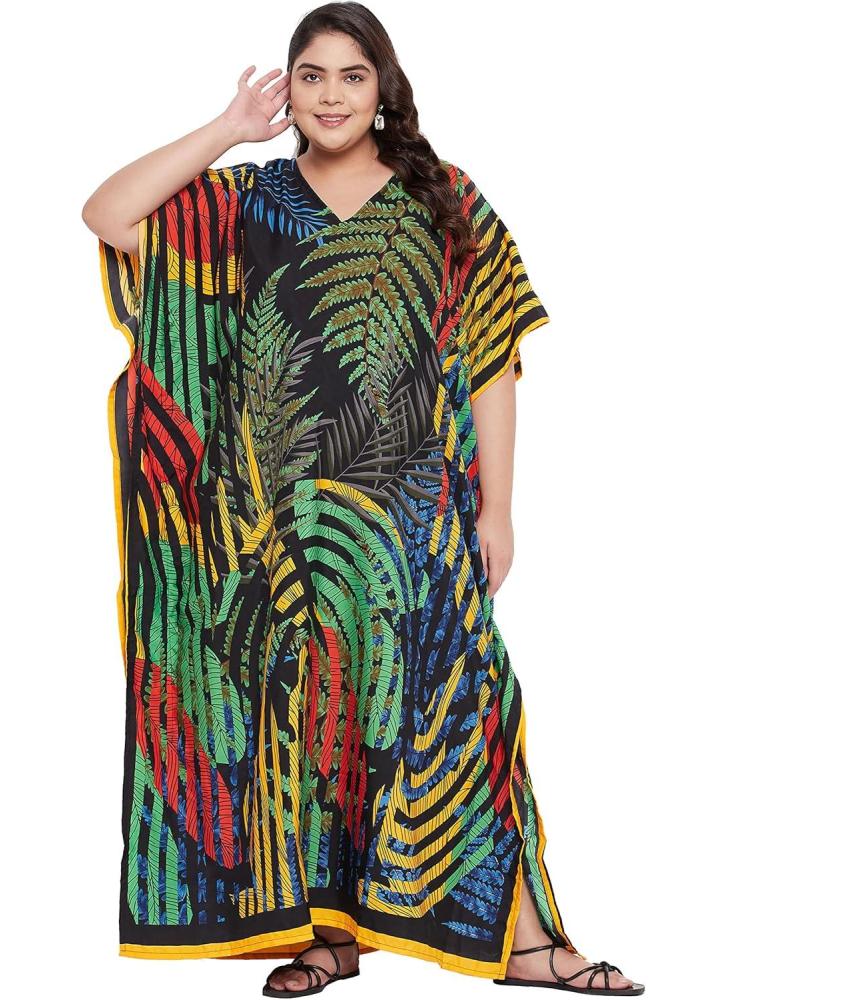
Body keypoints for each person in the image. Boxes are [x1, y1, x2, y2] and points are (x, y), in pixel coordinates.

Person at [82, 3, 643, 996]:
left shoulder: (445, 200)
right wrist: (226, 130)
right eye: (311, 76)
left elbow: (490, 363)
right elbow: (109, 214)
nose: (331, 95)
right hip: (280, 533)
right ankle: (328, 937)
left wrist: (497, 511)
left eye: (352, 75)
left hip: (417, 525)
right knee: (304, 728)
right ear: (288, 90)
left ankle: (524, 943)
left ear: (384, 87)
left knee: (460, 715)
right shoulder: (248, 201)